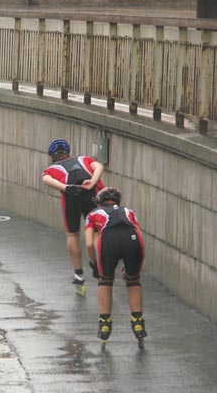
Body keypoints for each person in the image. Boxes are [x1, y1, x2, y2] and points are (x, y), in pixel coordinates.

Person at [41, 138, 105, 296]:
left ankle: (78, 273)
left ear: (52, 157)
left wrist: (66, 187)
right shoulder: (83, 159)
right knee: (96, 233)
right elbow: (98, 166)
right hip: (90, 192)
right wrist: (93, 182)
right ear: (69, 152)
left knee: (72, 233)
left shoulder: (52, 168)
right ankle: (100, 267)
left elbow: (46, 179)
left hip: (70, 197)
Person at [84, 187, 147, 346]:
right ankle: (137, 321)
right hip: (132, 239)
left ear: (99, 203)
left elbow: (90, 244)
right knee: (133, 280)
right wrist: (136, 265)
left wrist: (94, 264)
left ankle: (105, 324)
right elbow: (138, 233)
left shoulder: (93, 214)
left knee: (105, 280)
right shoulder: (129, 211)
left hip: (109, 240)